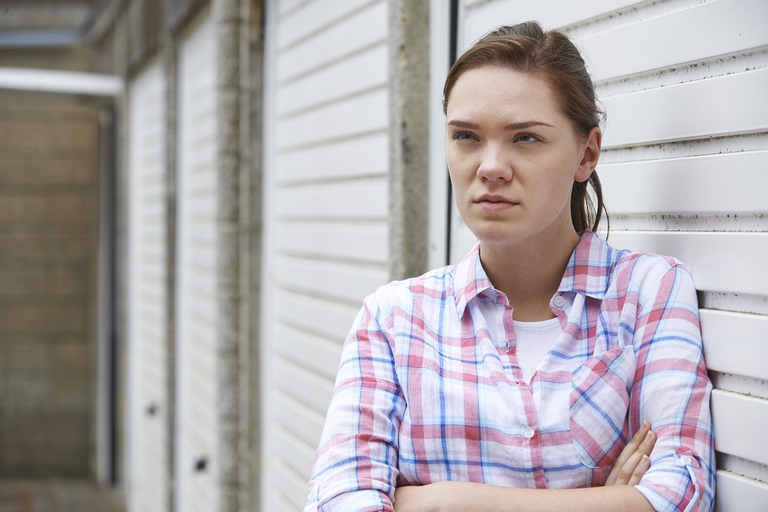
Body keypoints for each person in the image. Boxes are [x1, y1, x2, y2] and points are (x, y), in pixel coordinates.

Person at [303, 21, 714, 512]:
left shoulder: (648, 293)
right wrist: (608, 501)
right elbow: (341, 499)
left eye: (525, 138)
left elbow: (681, 493)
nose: (490, 166)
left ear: (587, 154)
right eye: (466, 136)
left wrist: (442, 502)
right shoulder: (394, 321)